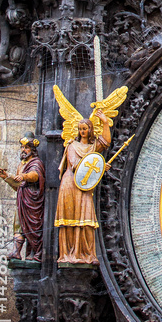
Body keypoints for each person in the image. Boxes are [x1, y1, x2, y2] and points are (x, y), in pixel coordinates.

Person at [55, 109, 111, 264]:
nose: (82, 131)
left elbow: (106, 141)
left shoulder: (92, 147)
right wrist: (99, 165)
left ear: (90, 130)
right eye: (80, 129)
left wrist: (105, 122)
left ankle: (86, 253)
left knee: (87, 218)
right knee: (70, 217)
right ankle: (69, 254)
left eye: (85, 129)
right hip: (71, 183)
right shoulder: (72, 146)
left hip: (84, 186)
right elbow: (74, 164)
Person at [0, 133, 46, 261]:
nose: (23, 150)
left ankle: (36, 253)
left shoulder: (36, 162)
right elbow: (18, 186)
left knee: (33, 226)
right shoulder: (21, 165)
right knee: (18, 225)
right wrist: (6, 177)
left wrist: (24, 176)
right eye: (22, 147)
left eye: (26, 148)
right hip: (21, 198)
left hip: (32, 199)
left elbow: (35, 175)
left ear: (32, 150)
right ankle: (16, 252)